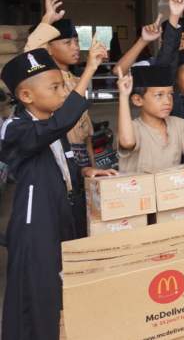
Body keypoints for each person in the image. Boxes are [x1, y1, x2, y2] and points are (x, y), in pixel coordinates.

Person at [1, 43, 115, 340]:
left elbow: (64, 163)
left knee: (62, 290)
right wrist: (90, 69)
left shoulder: (52, 126)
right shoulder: (15, 128)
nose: (64, 93)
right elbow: (54, 128)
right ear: (27, 96)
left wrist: (85, 171)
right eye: (55, 87)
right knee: (37, 298)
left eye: (64, 86)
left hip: (60, 215)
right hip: (34, 227)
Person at [24, 0, 97, 237]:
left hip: (80, 161)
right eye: (67, 42)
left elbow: (86, 134)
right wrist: (47, 19)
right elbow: (30, 54)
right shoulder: (44, 80)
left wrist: (91, 166)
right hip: (57, 159)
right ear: (48, 48)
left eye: (76, 41)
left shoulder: (76, 80)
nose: (75, 47)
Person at [116, 65, 184, 173]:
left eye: (170, 94)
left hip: (170, 183)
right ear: (138, 100)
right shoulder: (133, 128)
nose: (167, 101)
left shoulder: (178, 124)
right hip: (140, 184)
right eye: (159, 95)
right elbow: (127, 142)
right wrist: (123, 96)